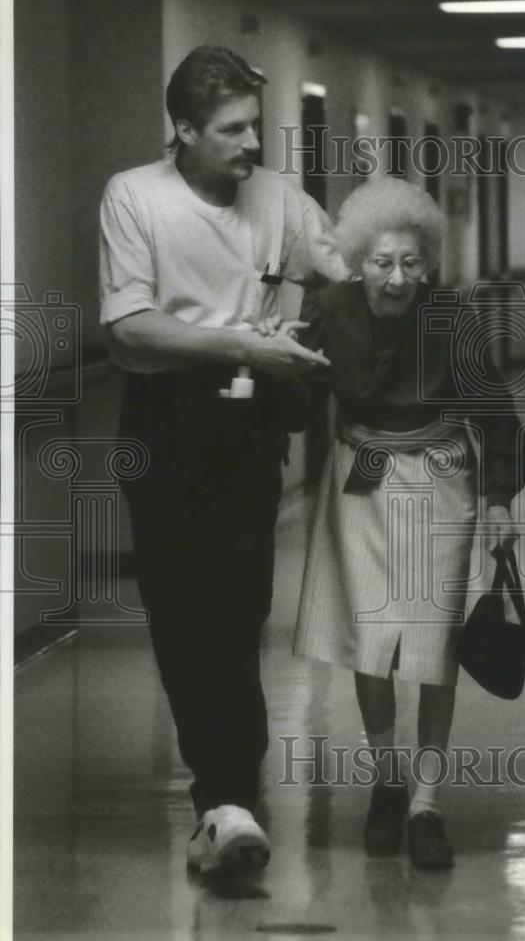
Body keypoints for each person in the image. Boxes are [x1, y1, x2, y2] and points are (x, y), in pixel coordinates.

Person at [98, 45, 347, 878]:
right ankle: (225, 794)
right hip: (165, 423)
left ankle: (228, 796)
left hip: (250, 422)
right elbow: (130, 330)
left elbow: (344, 273)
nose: (252, 146)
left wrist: (302, 322)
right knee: (182, 614)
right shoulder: (136, 197)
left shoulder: (279, 196)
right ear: (184, 130)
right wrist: (233, 339)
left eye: (255, 127)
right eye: (233, 130)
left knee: (239, 614)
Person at [276, 177, 525, 869]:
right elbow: (300, 398)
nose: (396, 279)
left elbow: (497, 411)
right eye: (382, 263)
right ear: (359, 261)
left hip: (442, 486)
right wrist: (274, 366)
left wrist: (501, 499)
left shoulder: (454, 318)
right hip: (360, 485)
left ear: (430, 265)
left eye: (411, 264)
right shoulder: (329, 310)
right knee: (370, 639)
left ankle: (426, 802)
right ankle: (387, 779)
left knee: (433, 644)